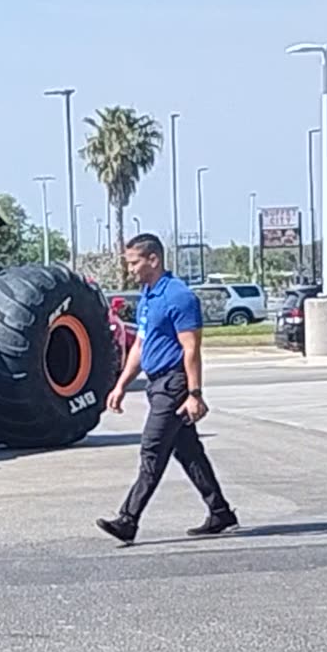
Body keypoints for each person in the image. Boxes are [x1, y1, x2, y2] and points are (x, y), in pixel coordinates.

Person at [96, 233, 237, 543]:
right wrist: (121, 384)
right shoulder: (149, 294)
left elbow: (191, 349)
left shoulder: (179, 297)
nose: (130, 269)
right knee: (188, 452)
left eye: (134, 263)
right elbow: (141, 346)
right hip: (157, 383)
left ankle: (128, 519)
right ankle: (220, 511)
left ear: (153, 259)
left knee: (153, 450)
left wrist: (194, 393)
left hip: (174, 384)